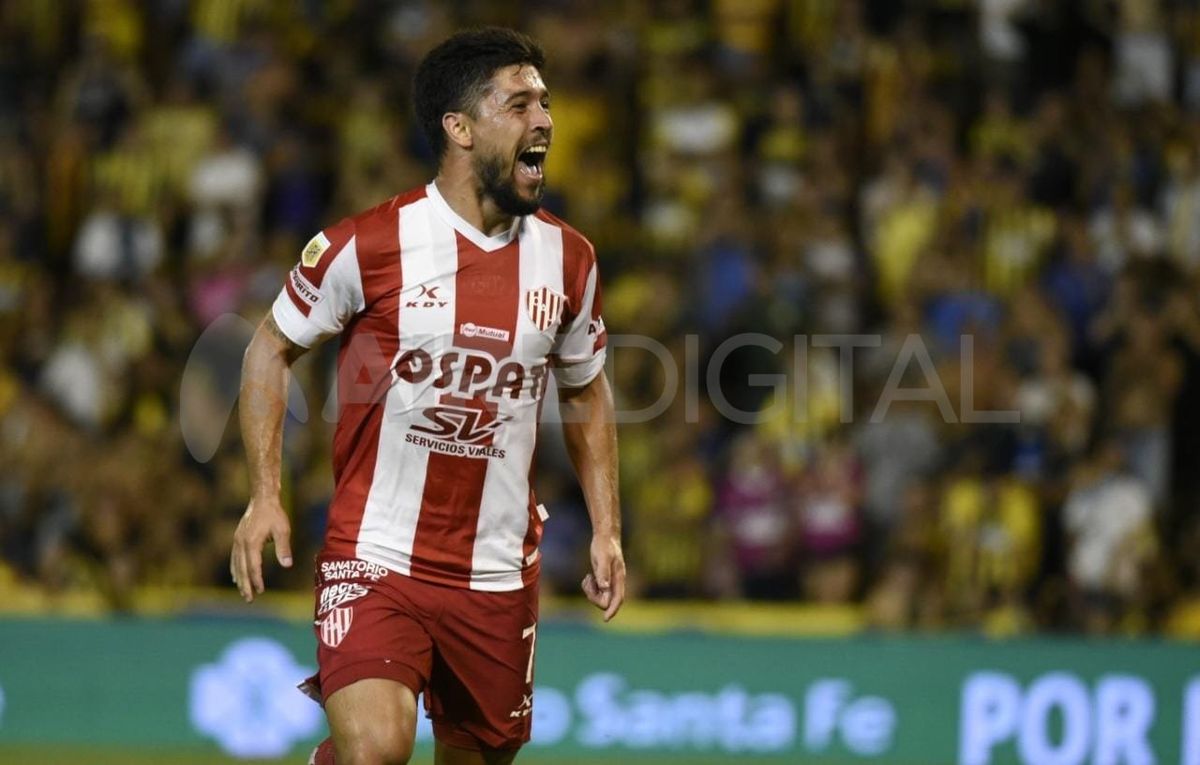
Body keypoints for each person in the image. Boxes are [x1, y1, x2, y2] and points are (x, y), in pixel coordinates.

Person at [229, 28, 625, 765]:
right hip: (377, 550)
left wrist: (606, 527)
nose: (544, 120)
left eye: (546, 102)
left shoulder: (571, 259)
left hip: (497, 571)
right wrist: (264, 493)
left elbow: (588, 390)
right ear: (461, 127)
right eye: (520, 103)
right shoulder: (372, 244)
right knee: (377, 746)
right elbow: (269, 347)